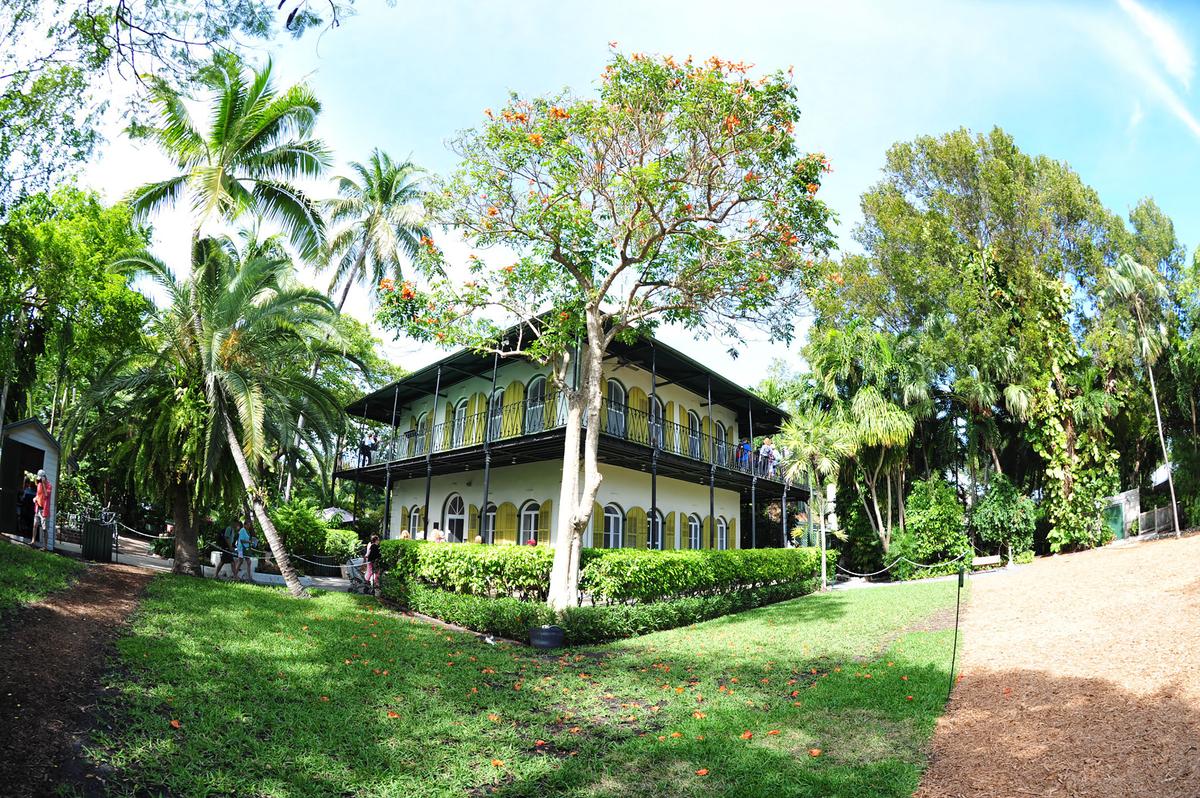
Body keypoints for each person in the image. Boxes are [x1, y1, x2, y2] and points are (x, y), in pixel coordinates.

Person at [30, 470, 53, 549]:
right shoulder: (39, 484)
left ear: (44, 477)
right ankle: (33, 541)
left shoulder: (49, 485)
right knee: (35, 525)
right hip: (38, 508)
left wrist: (43, 484)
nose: (39, 480)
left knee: (44, 529)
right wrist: (35, 498)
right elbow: (38, 495)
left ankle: (45, 546)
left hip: (44, 510)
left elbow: (46, 495)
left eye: (41, 478)